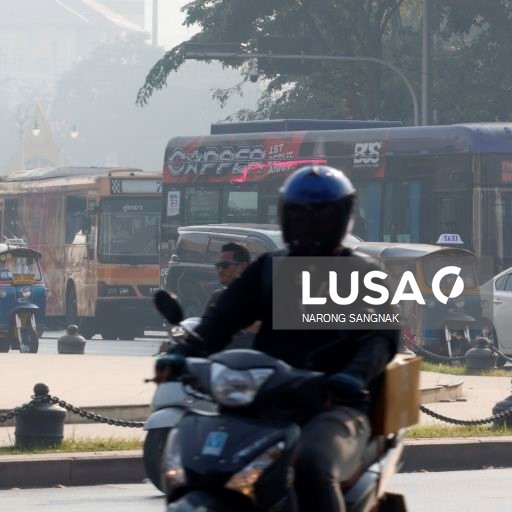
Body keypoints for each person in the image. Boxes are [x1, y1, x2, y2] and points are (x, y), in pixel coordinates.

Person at [158, 165, 398, 512]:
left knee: (310, 466)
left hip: (333, 406)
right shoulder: (270, 268)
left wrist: (353, 375)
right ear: (285, 216)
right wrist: (183, 351)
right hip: (263, 401)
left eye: (320, 217)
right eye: (299, 216)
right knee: (200, 458)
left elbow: (381, 339)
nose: (309, 226)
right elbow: (220, 319)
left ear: (342, 219)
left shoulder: (361, 275)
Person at [204, 242, 251, 311]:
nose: (220, 270)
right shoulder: (217, 297)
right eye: (218, 266)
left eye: (225, 265)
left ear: (242, 266)